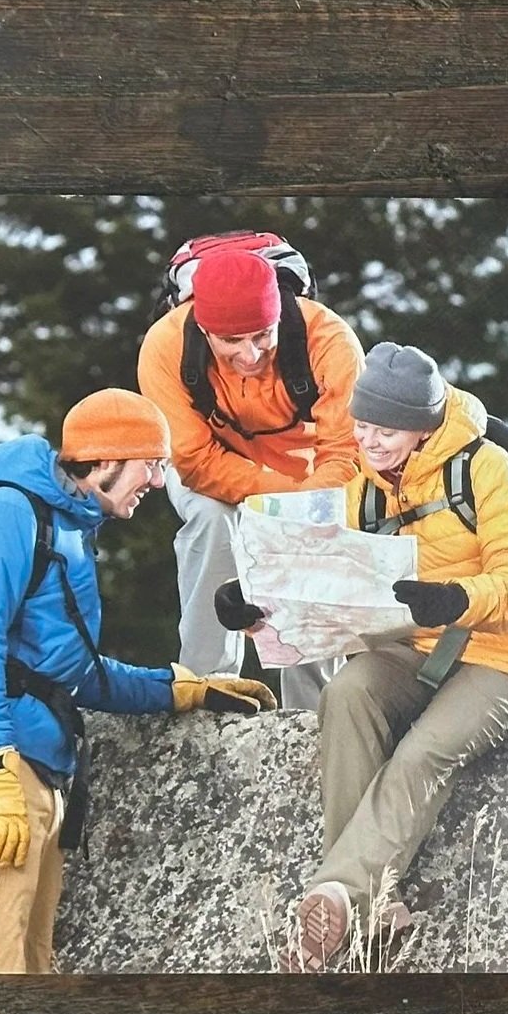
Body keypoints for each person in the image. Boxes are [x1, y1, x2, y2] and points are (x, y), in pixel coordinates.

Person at [0, 389, 280, 974]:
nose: (160, 481)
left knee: (30, 973)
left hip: (33, 777)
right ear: (107, 458)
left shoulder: (70, 530)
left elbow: (74, 674)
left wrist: (184, 687)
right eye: (152, 464)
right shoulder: (6, 512)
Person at [220, 344, 508, 970]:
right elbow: (325, 582)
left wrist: (455, 597)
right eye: (363, 426)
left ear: (424, 426)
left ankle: (337, 898)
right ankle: (370, 908)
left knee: (425, 749)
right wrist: (254, 606)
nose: (369, 442)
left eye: (386, 431)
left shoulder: (488, 471)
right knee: (345, 694)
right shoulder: (360, 487)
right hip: (409, 649)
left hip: (503, 657)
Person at [138, 246, 364, 709]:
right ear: (202, 327)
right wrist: (285, 496)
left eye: (263, 335)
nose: (250, 354)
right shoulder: (164, 346)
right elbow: (194, 459)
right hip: (212, 463)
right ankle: (208, 682)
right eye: (231, 341)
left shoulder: (329, 339)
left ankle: (313, 709)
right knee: (211, 522)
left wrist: (306, 504)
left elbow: (346, 452)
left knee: (313, 533)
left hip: (309, 470)